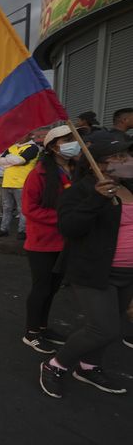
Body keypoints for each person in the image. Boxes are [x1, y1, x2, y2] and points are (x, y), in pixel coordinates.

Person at [39, 137, 133, 398]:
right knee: (103, 328)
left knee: (110, 328)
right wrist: (96, 198)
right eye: (121, 157)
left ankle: (89, 367)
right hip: (93, 272)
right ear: (100, 164)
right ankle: (55, 364)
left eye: (128, 155)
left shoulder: (129, 187)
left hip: (128, 273)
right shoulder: (79, 192)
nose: (128, 161)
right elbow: (69, 228)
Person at [21, 125, 76, 354]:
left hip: (66, 241)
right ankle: (31, 333)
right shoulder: (39, 174)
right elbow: (29, 208)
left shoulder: (77, 170)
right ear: (54, 147)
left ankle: (43, 327)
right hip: (42, 242)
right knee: (41, 288)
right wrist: (64, 218)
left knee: (52, 289)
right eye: (68, 140)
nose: (74, 144)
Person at [0, 136, 40, 240]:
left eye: (23, 134)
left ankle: (22, 231)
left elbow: (21, 160)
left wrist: (8, 160)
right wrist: (12, 160)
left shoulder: (32, 147)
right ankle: (3, 229)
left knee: (22, 209)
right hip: (7, 182)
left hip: (22, 183)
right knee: (6, 208)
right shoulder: (12, 147)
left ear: (29, 134)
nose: (19, 137)